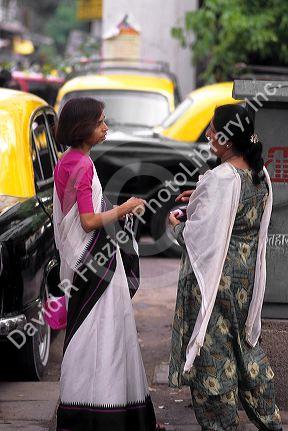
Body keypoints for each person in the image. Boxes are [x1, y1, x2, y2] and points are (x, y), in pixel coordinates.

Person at [168, 104, 283, 431]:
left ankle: (222, 425)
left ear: (228, 139)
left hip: (215, 282)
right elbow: (232, 211)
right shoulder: (260, 175)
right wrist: (200, 196)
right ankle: (270, 421)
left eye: (212, 129)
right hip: (244, 282)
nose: (207, 134)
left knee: (213, 357)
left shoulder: (220, 179)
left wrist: (173, 223)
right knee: (244, 348)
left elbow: (199, 237)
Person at [53, 97, 161, 431]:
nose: (106, 127)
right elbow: (87, 221)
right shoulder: (83, 165)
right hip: (97, 263)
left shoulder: (67, 161)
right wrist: (126, 207)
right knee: (109, 336)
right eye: (101, 122)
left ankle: (78, 411)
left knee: (85, 336)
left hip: (81, 264)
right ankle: (111, 414)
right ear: (83, 127)